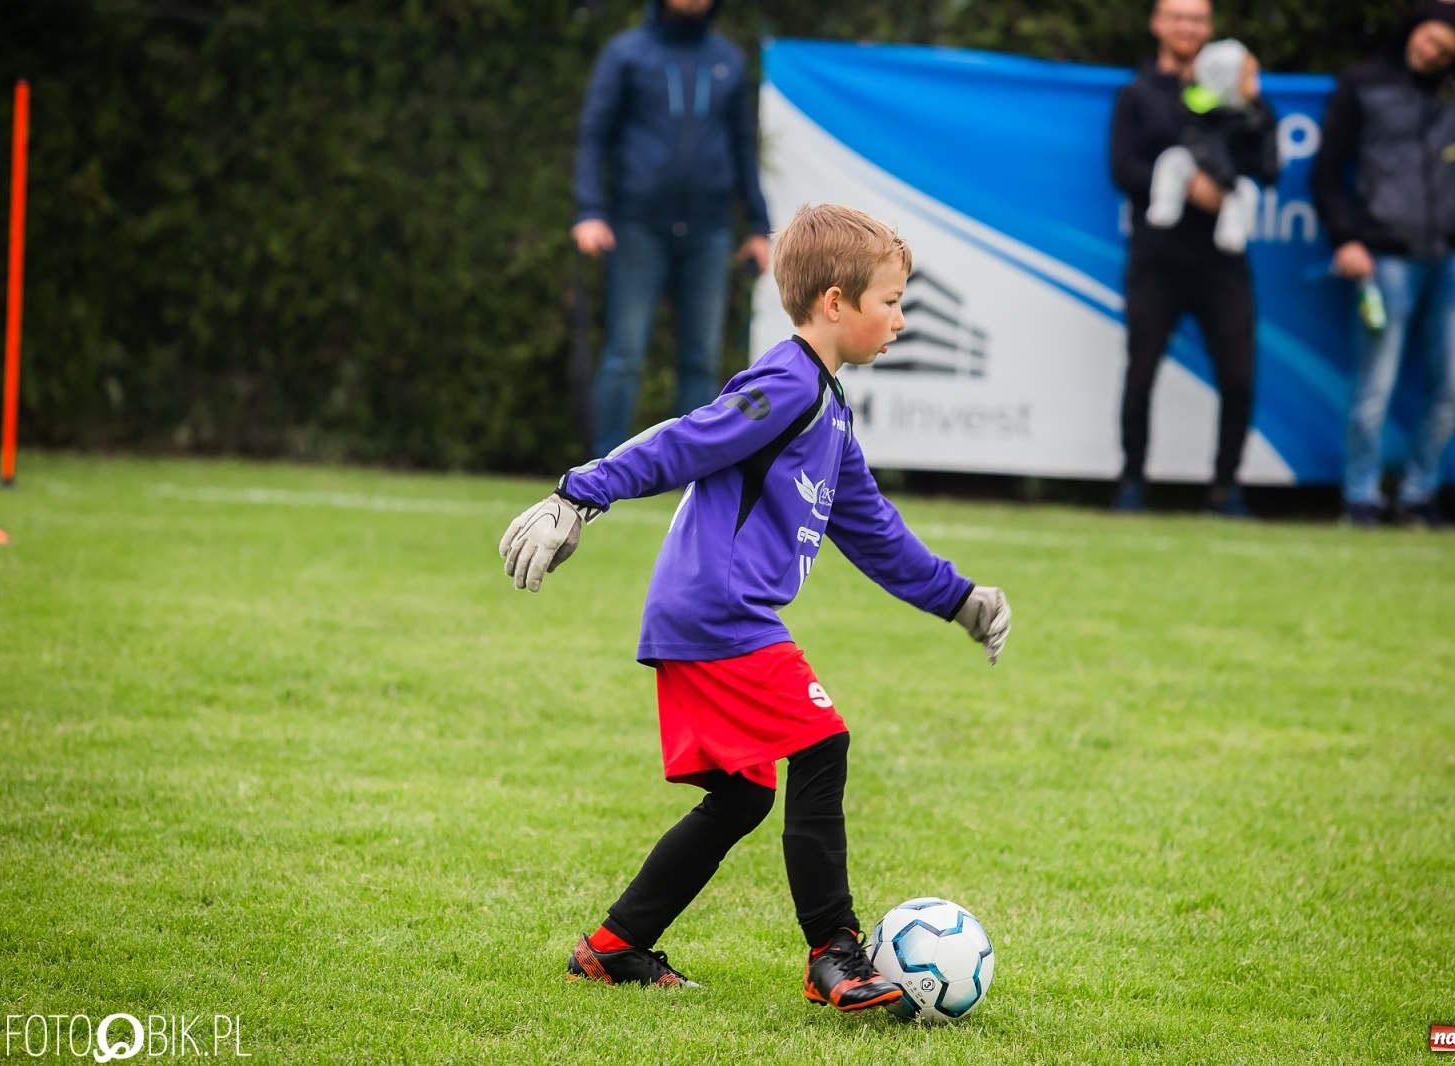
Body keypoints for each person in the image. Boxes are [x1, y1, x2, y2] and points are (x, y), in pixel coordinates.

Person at [497, 204, 1014, 1011]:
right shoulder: (787, 382)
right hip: (717, 614)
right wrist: (580, 493)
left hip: (709, 617)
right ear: (835, 303)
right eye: (890, 300)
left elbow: (877, 535)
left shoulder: (830, 414)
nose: (902, 319)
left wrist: (960, 599)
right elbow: (687, 438)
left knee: (744, 795)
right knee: (823, 742)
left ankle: (614, 947)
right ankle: (836, 954)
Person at [1311, 0, 1455, 528]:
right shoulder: (1362, 83)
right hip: (1384, 257)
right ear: (1414, 26)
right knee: (1376, 384)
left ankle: (1417, 494)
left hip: (1451, 257)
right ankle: (1360, 497)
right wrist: (1346, 239)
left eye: (1446, 48)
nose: (1432, 51)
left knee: (1454, 380)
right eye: (1430, 37)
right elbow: (1324, 174)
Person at [573, 0, 773, 460]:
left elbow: (744, 146)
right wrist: (589, 210)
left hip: (710, 229)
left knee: (701, 361)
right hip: (637, 225)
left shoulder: (727, 59)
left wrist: (759, 225)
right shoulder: (626, 54)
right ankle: (603, 467)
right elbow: (593, 135)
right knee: (624, 356)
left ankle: (696, 470)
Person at [1109, 0, 1278, 518]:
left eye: (1197, 18)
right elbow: (1124, 170)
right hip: (1157, 259)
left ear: (1209, 28)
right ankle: (1133, 480)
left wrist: (1251, 115)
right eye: (1177, 16)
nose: (1187, 26)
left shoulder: (1240, 96)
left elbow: (1267, 169)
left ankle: (1226, 487)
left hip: (1222, 262)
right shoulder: (1137, 95)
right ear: (1157, 23)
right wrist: (1190, 189)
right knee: (1141, 373)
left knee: (1239, 375)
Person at [1145, 39, 1275, 255]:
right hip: (1205, 174)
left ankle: (1233, 232)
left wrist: (1267, 166)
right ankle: (1165, 204)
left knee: (1247, 192)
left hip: (1231, 182)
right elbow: (1201, 141)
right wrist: (1218, 176)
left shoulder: (1258, 114)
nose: (1256, 83)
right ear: (1228, 79)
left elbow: (1266, 153)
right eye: (1249, 76)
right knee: (1174, 160)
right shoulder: (1194, 106)